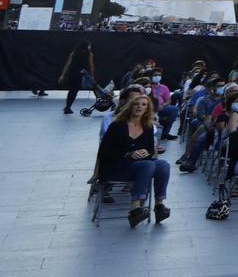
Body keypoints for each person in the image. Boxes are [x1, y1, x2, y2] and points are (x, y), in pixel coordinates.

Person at [97, 92, 170, 227]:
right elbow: (104, 151)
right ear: (130, 107)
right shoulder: (117, 126)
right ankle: (135, 208)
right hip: (117, 166)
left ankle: (159, 205)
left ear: (147, 109)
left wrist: (145, 152)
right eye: (136, 104)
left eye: (143, 105)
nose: (139, 107)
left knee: (163, 165)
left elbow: (149, 151)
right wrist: (128, 154)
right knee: (147, 166)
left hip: (139, 166)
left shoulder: (147, 127)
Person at [62, 42, 98, 114]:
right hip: (82, 74)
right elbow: (91, 66)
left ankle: (68, 106)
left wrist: (62, 75)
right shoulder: (89, 54)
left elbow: (67, 64)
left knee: (72, 90)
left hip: (73, 73)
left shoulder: (74, 53)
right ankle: (101, 101)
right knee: (94, 87)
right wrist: (92, 76)